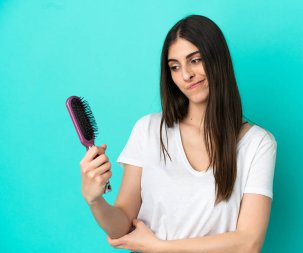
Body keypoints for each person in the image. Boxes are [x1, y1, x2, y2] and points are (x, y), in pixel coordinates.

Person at [79, 14, 277, 253]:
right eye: (175, 67)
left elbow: (248, 243)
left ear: (218, 59)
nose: (186, 75)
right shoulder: (149, 130)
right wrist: (95, 200)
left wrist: (160, 247)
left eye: (195, 60)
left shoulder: (257, 144)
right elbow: (121, 227)